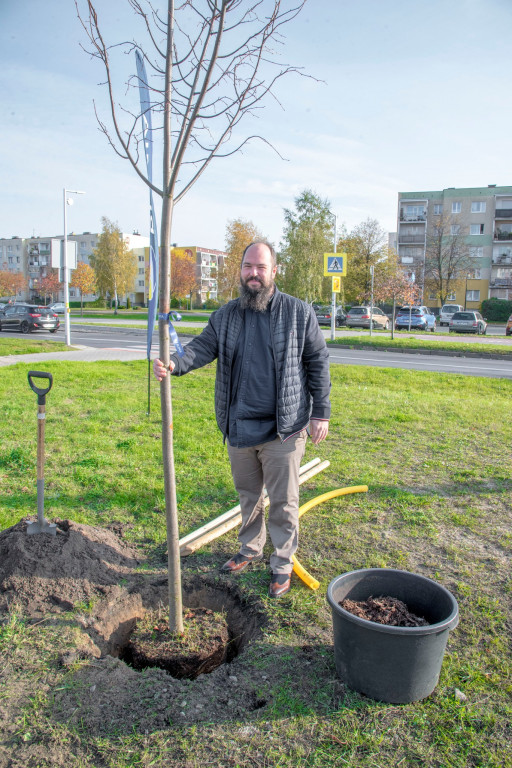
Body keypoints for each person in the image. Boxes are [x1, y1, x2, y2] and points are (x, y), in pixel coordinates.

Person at [153, 240, 331, 597]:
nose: (253, 274)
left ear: (274, 271)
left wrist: (320, 412)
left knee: (283, 502)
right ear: (241, 270)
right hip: (239, 426)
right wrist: (175, 363)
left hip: (284, 428)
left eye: (261, 268)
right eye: (248, 267)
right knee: (248, 496)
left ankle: (282, 562)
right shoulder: (225, 316)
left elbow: (317, 361)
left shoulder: (298, 313)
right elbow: (201, 348)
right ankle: (250, 548)